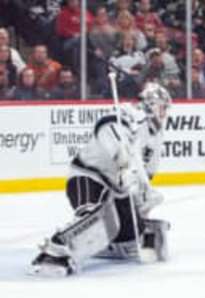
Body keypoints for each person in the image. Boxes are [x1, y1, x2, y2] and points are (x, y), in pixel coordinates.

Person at [30, 82, 172, 277]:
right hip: (88, 175)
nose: (165, 113)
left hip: (117, 187)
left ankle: (110, 243)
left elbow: (145, 173)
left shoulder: (156, 136)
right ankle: (54, 251)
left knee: (132, 231)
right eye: (163, 107)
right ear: (151, 104)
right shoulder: (129, 113)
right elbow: (105, 128)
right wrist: (120, 158)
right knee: (94, 214)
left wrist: (144, 197)